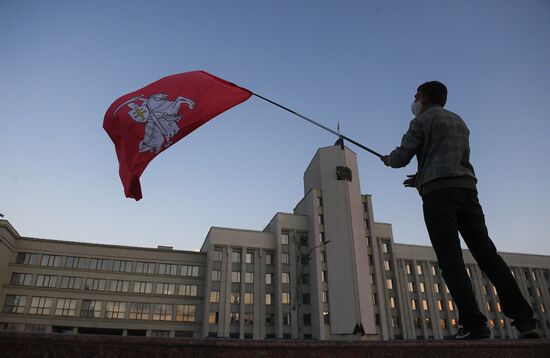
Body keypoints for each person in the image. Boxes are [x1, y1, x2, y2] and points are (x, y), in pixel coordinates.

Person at [381, 81, 540, 340]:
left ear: (427, 98)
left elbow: (400, 158)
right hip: (467, 191)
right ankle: (525, 321)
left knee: (450, 258)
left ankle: (474, 325)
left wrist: (388, 159)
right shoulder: (459, 121)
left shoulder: (421, 121)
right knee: (487, 254)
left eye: (417, 95)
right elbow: (448, 159)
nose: (414, 99)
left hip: (438, 198)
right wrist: (421, 176)